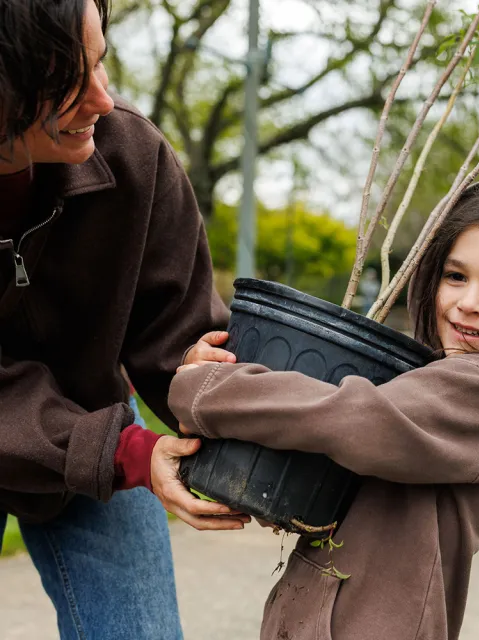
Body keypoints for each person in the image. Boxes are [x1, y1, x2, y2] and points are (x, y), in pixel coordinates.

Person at [169, 178, 479, 640]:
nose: (468, 303)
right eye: (455, 277)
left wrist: (208, 391)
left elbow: (348, 418)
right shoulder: (434, 380)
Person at [0, 1, 246, 638]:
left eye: (100, 62)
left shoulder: (132, 155)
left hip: (96, 432)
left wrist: (200, 379)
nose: (104, 101)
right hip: (101, 444)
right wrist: (122, 452)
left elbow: (180, 326)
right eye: (68, 81)